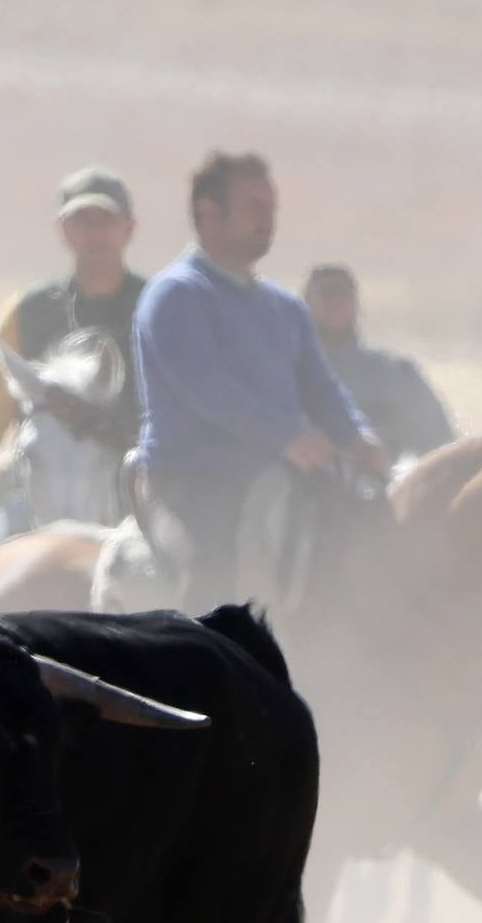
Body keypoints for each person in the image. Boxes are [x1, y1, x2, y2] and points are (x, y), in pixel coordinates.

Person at [135, 152, 386, 604]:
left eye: (272, 209)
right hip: (195, 484)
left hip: (284, 476)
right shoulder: (177, 295)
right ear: (208, 212)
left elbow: (320, 387)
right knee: (214, 581)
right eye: (254, 207)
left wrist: (357, 436)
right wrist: (287, 436)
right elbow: (205, 389)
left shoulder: (284, 308)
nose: (268, 220)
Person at [0, 166, 147, 571]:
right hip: (33, 507)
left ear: (130, 228)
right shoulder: (27, 313)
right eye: (82, 220)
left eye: (106, 220)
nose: (95, 232)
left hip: (135, 506)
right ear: (62, 230)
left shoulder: (158, 308)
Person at [304, 264, 456, 462]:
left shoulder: (394, 373)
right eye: (326, 294)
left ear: (357, 304)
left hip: (379, 484)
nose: (335, 302)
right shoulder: (285, 373)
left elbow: (438, 444)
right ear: (306, 305)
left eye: (342, 293)